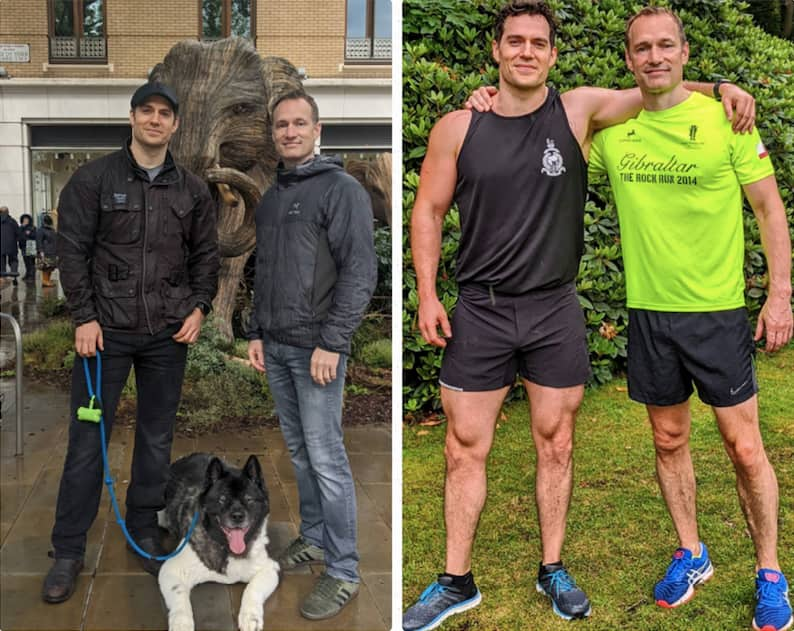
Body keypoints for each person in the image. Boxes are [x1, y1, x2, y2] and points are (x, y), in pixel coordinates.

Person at [402, 1, 756, 628]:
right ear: (496, 50)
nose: (527, 52)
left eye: (539, 43)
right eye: (515, 42)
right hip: (480, 309)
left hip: (554, 309)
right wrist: (428, 293)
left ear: (554, 55)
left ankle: (553, 568)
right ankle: (456, 581)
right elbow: (427, 211)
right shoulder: (459, 127)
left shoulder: (579, 111)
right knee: (463, 447)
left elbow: (659, 83)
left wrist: (722, 86)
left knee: (556, 441)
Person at [586, 8, 792, 631]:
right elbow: (546, 130)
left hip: (718, 313)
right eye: (642, 48)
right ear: (628, 60)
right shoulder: (613, 136)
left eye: (665, 45)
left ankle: (770, 574)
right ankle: (693, 552)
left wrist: (780, 293)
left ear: (683, 51)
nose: (654, 57)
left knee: (744, 446)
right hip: (650, 314)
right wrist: (488, 101)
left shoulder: (726, 119)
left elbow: (769, 210)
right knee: (668, 440)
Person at [42, 81, 219, 604]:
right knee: (84, 445)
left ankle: (143, 528)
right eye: (147, 111)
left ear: (176, 124)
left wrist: (200, 306)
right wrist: (84, 316)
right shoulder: (93, 180)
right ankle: (68, 549)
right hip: (105, 336)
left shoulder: (191, 190)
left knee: (155, 440)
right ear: (132, 117)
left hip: (167, 335)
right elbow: (71, 250)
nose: (156, 120)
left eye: (166, 113)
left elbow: (205, 257)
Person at [246, 90, 376, 620]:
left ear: (317, 130)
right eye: (282, 125)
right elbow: (265, 270)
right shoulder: (274, 195)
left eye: (300, 123)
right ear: (274, 134)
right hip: (276, 346)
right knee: (300, 455)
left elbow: (360, 272)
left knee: (327, 460)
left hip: (316, 349)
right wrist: (255, 330)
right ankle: (317, 538)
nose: (291, 132)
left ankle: (343, 569)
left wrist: (333, 341)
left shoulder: (341, 190)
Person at [0, 206, 20, 286]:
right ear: (8, 212)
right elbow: (18, 233)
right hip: (12, 246)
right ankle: (14, 276)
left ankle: (2, 278)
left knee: (1, 262)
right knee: (13, 260)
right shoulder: (12, 221)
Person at [35, 214, 57, 287]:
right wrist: (41, 251)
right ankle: (45, 281)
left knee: (50, 267)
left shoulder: (52, 230)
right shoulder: (40, 230)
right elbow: (39, 241)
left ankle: (47, 280)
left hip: (52, 251)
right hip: (45, 252)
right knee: (45, 267)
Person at [18, 213, 37, 282]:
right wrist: (22, 227)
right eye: (24, 219)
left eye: (26, 219)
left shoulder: (32, 227)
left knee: (31, 262)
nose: (25, 221)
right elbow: (18, 235)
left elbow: (35, 236)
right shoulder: (21, 227)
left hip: (30, 246)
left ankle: (32, 276)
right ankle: (27, 274)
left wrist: (29, 234)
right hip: (23, 246)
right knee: (26, 262)